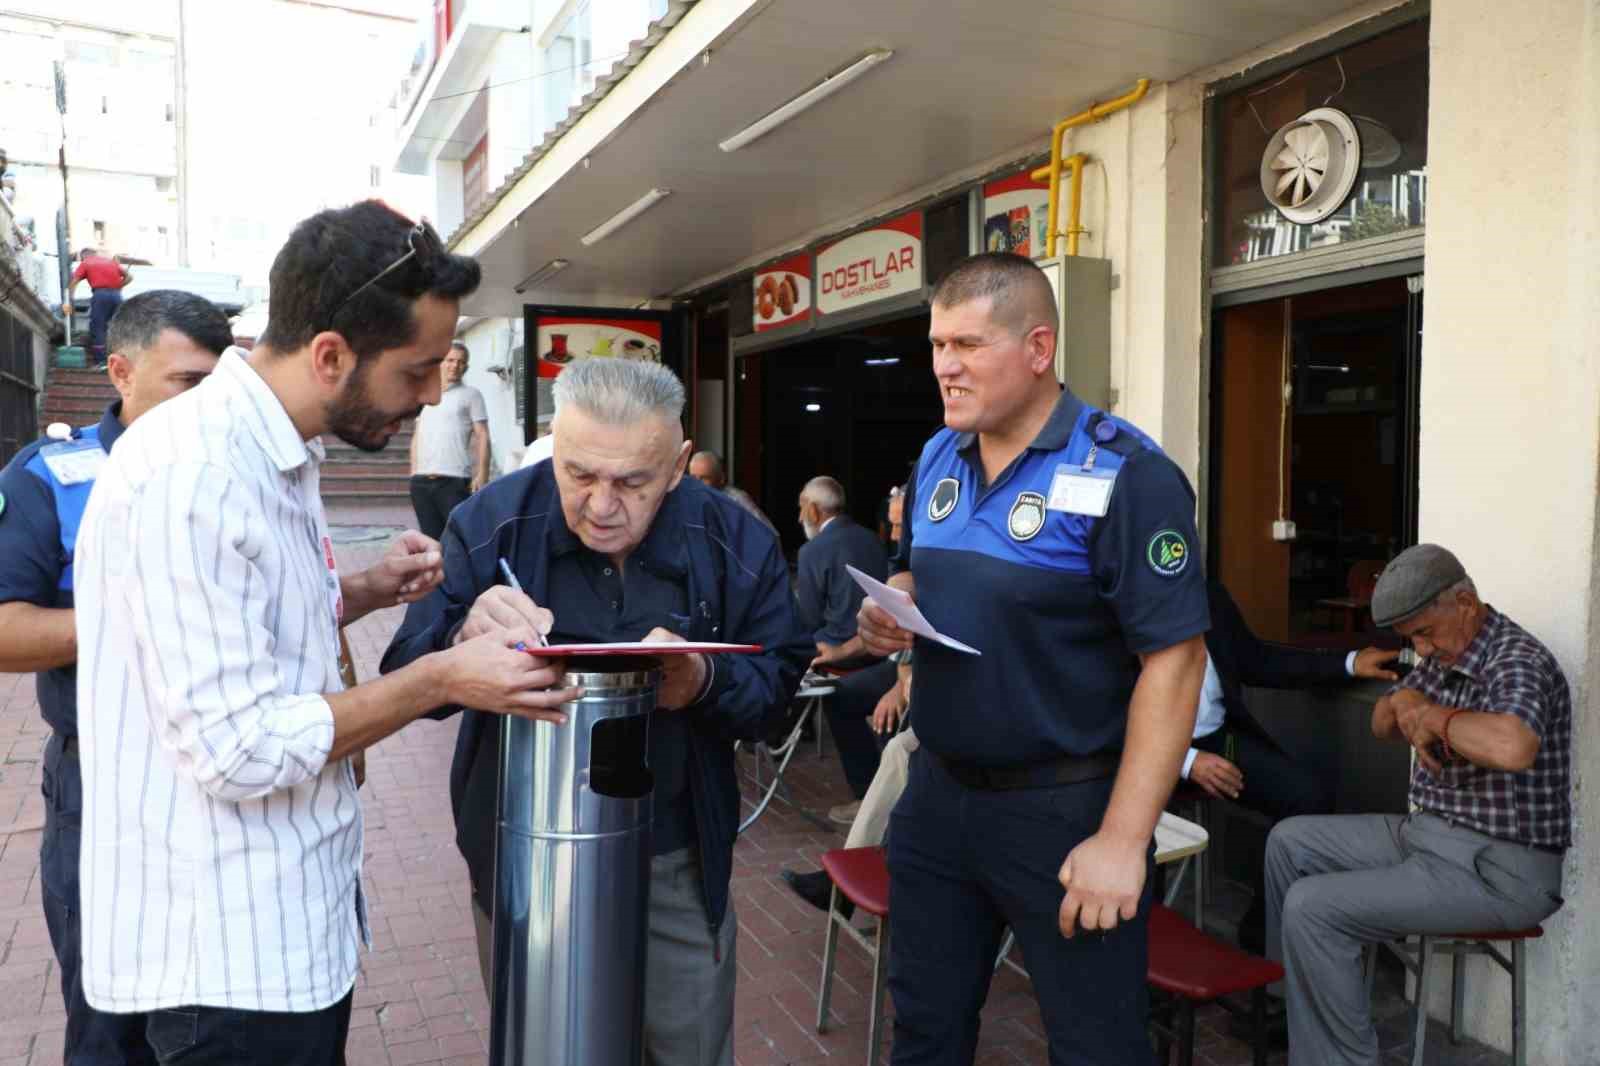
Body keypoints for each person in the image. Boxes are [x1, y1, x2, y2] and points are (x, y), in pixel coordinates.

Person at [70, 201, 579, 1065]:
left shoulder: (275, 450)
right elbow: (237, 747)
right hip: (223, 963)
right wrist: (442, 677)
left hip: (279, 929)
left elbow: (244, 622)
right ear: (332, 353)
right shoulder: (194, 474)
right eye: (418, 372)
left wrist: (362, 591)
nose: (429, 399)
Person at [382, 357, 811, 1066]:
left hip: (674, 853)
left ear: (676, 467)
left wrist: (703, 682)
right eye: (579, 473)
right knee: (545, 1046)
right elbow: (405, 665)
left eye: (632, 483)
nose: (601, 505)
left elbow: (779, 696)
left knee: (688, 1048)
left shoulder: (736, 542)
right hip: (519, 852)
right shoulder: (492, 522)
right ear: (556, 441)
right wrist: (461, 639)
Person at [857, 252, 1209, 1065]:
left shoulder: (1128, 472)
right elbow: (918, 567)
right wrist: (892, 610)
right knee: (925, 1029)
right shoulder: (941, 453)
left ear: (1039, 348)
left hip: (1064, 810)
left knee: (1097, 1046)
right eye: (939, 345)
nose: (945, 366)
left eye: (970, 346)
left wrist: (1123, 840)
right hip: (938, 798)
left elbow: (1176, 663)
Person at [0, 290, 231, 1065]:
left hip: (222, 776)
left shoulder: (236, 472)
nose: (208, 403)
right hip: (100, 786)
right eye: (186, 382)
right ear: (123, 371)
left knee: (217, 1010)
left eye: (218, 383)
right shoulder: (54, 478)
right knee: (109, 1019)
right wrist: (132, 627)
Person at [1265, 544, 1568, 1065]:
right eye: (1411, 640)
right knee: (1290, 842)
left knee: (1314, 907)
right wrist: (1408, 702)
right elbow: (1381, 722)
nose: (1421, 650)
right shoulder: (1444, 654)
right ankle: (1289, 1006)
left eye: (1425, 633)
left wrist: (1439, 720)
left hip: (1500, 867)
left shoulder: (1518, 660)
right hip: (1426, 837)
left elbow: (1513, 747)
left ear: (1466, 603)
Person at [1182, 580, 1400, 951]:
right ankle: (1144, 966)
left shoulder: (1204, 593)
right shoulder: (1115, 599)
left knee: (1304, 798)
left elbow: (1256, 659)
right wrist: (1186, 762)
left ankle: (1262, 938)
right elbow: (1104, 706)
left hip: (1220, 740)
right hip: (1141, 751)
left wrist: (1348, 662)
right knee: (1142, 833)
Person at [793, 474, 895, 823]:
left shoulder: (811, 551)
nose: (799, 517)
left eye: (800, 508)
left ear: (813, 510)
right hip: (885, 643)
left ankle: (776, 734)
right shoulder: (873, 539)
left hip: (844, 647)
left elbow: (806, 618)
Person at [409, 339, 490, 539]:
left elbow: (483, 434)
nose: (455, 365)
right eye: (450, 360)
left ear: (466, 367)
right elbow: (417, 434)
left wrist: (482, 473)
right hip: (422, 482)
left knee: (461, 538)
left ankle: (462, 572)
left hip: (453, 481)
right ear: (441, 362)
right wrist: (413, 471)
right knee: (430, 542)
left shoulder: (472, 395)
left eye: (460, 362)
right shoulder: (427, 396)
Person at [65, 247, 132, 366]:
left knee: (98, 326)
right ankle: (120, 358)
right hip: (117, 296)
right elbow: (129, 277)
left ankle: (101, 362)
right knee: (115, 326)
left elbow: (74, 281)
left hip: (100, 295)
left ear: (83, 256)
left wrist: (69, 300)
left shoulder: (86, 262)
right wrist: (118, 287)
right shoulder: (111, 262)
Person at [688, 448, 776, 532]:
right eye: (693, 478)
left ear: (721, 478)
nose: (697, 483)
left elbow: (769, 533)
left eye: (704, 478)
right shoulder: (687, 500)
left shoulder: (736, 500)